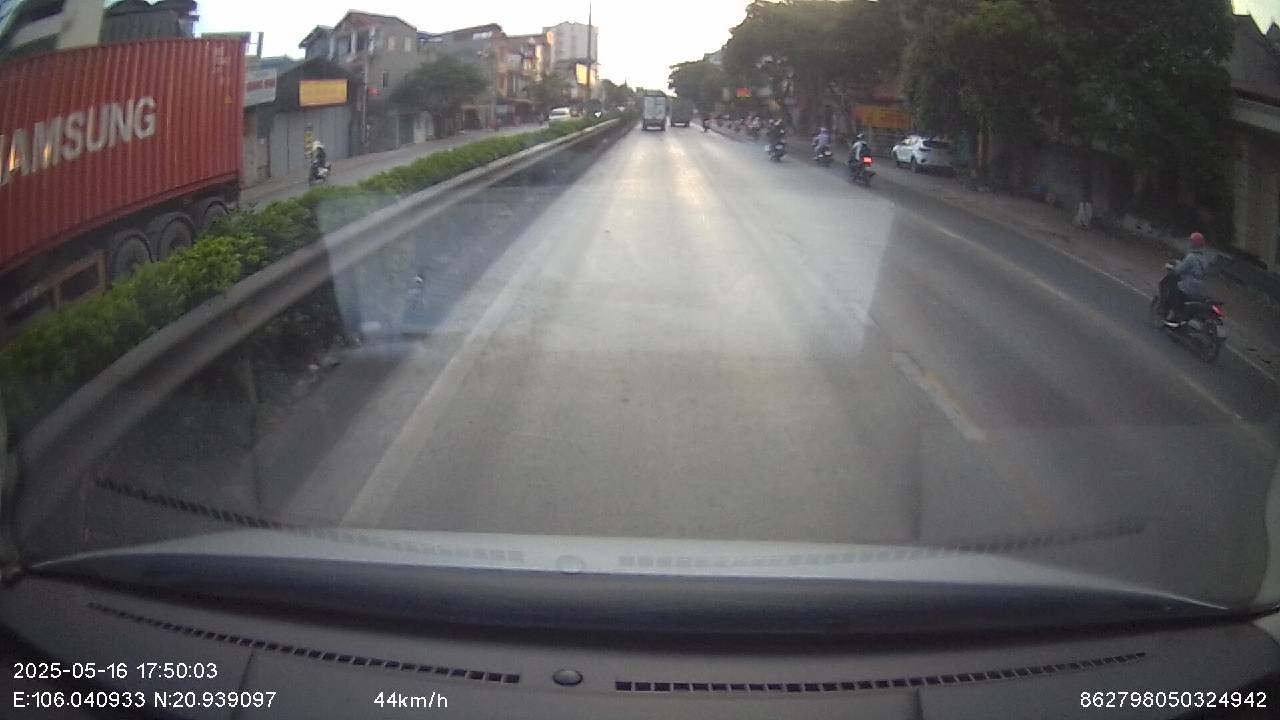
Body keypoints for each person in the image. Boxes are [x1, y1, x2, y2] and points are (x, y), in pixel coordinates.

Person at [1161, 232, 1210, 327]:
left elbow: (1178, 270)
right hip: (1200, 288)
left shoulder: (1191, 257)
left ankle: (1173, 315)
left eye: (1191, 241)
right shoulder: (1204, 259)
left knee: (1172, 289)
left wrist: (1172, 267)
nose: (1189, 243)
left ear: (1194, 243)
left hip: (1188, 285)